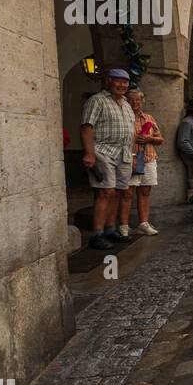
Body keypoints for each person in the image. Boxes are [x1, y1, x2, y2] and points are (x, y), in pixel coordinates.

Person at [80, 68, 136, 250]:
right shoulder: (97, 100)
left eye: (125, 82)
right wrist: (89, 153)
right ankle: (97, 234)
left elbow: (132, 132)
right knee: (106, 192)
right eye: (118, 81)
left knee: (119, 192)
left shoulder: (127, 104)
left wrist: (132, 154)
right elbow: (87, 127)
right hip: (104, 151)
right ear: (108, 82)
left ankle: (110, 230)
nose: (122, 85)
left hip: (124, 154)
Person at [126, 89, 165, 235]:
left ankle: (143, 223)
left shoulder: (149, 118)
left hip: (148, 158)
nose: (134, 103)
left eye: (138, 100)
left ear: (142, 102)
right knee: (127, 193)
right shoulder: (124, 117)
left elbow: (160, 139)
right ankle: (124, 226)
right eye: (131, 100)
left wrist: (150, 139)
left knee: (145, 191)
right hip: (130, 158)